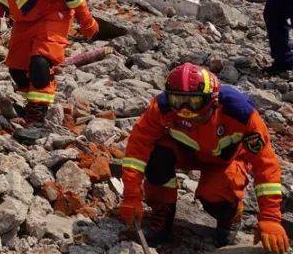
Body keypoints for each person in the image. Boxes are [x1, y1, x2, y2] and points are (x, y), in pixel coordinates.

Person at [118, 63, 287, 251]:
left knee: (216, 197)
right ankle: (162, 215)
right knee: (155, 158)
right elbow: (136, 150)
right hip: (185, 153)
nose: (185, 110)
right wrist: (131, 196)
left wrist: (270, 217)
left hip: (224, 160)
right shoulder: (162, 107)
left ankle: (230, 215)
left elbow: (266, 164)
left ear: (212, 100)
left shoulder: (240, 113)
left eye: (194, 102)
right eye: (177, 100)